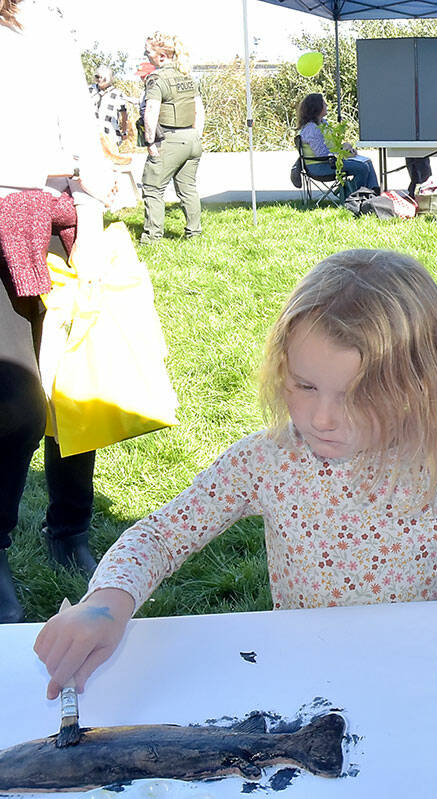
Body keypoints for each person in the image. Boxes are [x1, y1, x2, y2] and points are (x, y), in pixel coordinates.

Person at [34, 249, 437, 696]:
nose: (322, 418)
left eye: (356, 396)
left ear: (419, 386)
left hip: (418, 677)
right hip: (306, 678)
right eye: (305, 386)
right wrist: (105, 602)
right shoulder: (268, 460)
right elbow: (161, 536)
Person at [1, 0, 112, 623]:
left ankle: (69, 529)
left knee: (72, 387)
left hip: (46, 215)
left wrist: (94, 199)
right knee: (14, 397)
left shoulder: (42, 20)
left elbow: (74, 116)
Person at [139, 32, 203, 243]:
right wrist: (197, 135)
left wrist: (150, 142)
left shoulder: (156, 79)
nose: (146, 56)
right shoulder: (186, 76)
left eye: (149, 52)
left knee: (152, 188)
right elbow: (198, 110)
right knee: (188, 189)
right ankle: (194, 233)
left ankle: (152, 237)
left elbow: (151, 111)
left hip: (170, 138)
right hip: (191, 138)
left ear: (162, 56)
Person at [296, 93, 380, 195]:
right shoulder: (312, 129)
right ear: (317, 107)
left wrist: (347, 150)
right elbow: (322, 155)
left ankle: (373, 192)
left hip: (329, 161)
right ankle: (352, 195)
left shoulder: (323, 123)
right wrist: (343, 152)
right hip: (319, 166)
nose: (326, 105)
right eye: (324, 103)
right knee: (361, 167)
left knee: (367, 161)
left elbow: (332, 146)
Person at [88, 65, 130, 147]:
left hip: (110, 134)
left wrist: (124, 131)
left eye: (103, 78)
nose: (100, 80)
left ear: (109, 79)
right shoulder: (89, 90)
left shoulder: (117, 94)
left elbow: (124, 114)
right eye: (97, 77)